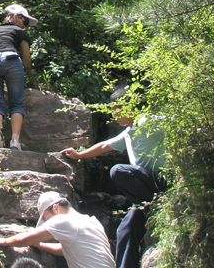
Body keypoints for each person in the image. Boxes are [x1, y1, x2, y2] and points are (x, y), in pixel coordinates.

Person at [60, 91, 166, 268]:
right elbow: (103, 146)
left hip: (159, 180)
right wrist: (79, 155)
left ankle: (154, 205)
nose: (113, 114)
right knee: (124, 229)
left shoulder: (148, 121)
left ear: (128, 106)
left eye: (116, 109)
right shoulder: (128, 133)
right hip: (144, 193)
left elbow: (176, 124)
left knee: (118, 171)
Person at [0, 191, 115, 268]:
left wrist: (4, 241)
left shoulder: (64, 220)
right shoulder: (92, 221)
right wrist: (41, 246)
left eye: (47, 218)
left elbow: (22, 240)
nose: (49, 222)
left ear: (55, 208)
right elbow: (66, 250)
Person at [0, 4, 36, 151]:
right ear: (15, 17)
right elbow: (26, 58)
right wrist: (30, 72)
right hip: (12, 60)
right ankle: (14, 142)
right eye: (24, 21)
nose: (25, 25)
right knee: (17, 103)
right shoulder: (19, 31)